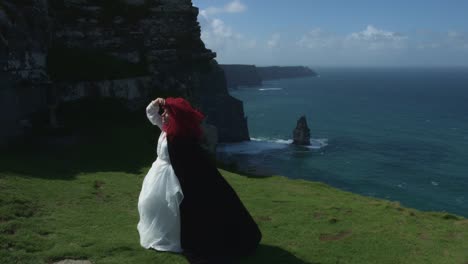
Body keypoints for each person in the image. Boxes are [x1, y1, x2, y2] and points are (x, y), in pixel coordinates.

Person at [137, 97, 262, 263]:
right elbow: (151, 114)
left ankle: (174, 239)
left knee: (171, 209)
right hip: (159, 174)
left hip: (171, 177)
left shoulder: (181, 137)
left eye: (167, 113)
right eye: (164, 113)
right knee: (153, 204)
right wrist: (158, 103)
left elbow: (188, 163)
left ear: (176, 117)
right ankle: (163, 234)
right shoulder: (166, 128)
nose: (164, 115)